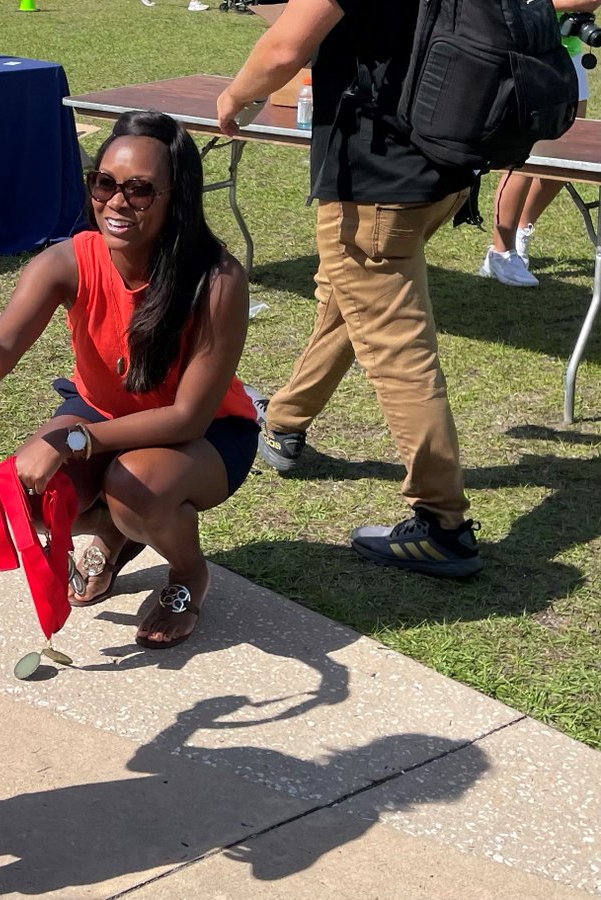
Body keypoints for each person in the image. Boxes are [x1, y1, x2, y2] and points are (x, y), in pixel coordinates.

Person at [0, 110, 259, 650]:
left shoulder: (217, 279)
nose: (117, 202)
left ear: (176, 195)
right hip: (103, 412)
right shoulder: (64, 261)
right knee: (21, 495)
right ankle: (118, 530)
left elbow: (187, 414)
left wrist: (74, 441)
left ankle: (187, 574)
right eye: (105, 183)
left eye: (141, 190)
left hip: (205, 433)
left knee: (134, 485)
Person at [216, 0, 483, 577]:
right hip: (447, 164)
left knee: (398, 348)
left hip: (380, 176)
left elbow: (287, 45)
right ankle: (284, 423)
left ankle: (444, 525)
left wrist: (236, 96)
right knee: (349, 300)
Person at [479, 0, 601, 288]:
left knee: (563, 158)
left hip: (568, 57)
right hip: (534, 57)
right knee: (523, 158)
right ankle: (500, 253)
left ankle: (521, 231)